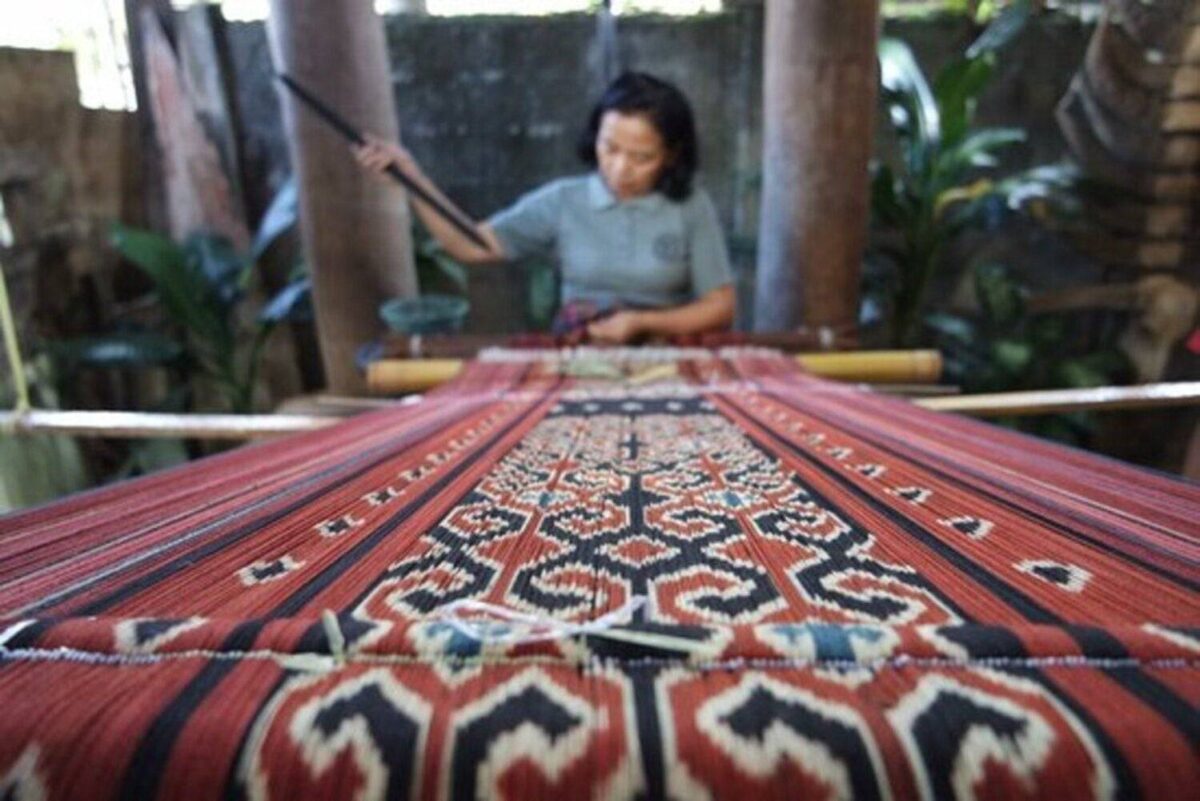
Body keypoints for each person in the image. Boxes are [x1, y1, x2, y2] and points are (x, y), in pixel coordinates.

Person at [354, 71, 735, 345]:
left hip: (661, 356)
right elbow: (471, 245)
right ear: (594, 137)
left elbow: (720, 306)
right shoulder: (564, 200)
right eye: (610, 148)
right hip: (579, 354)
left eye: (642, 157)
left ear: (671, 155)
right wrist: (412, 180)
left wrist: (639, 322)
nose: (620, 169)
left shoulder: (690, 206)